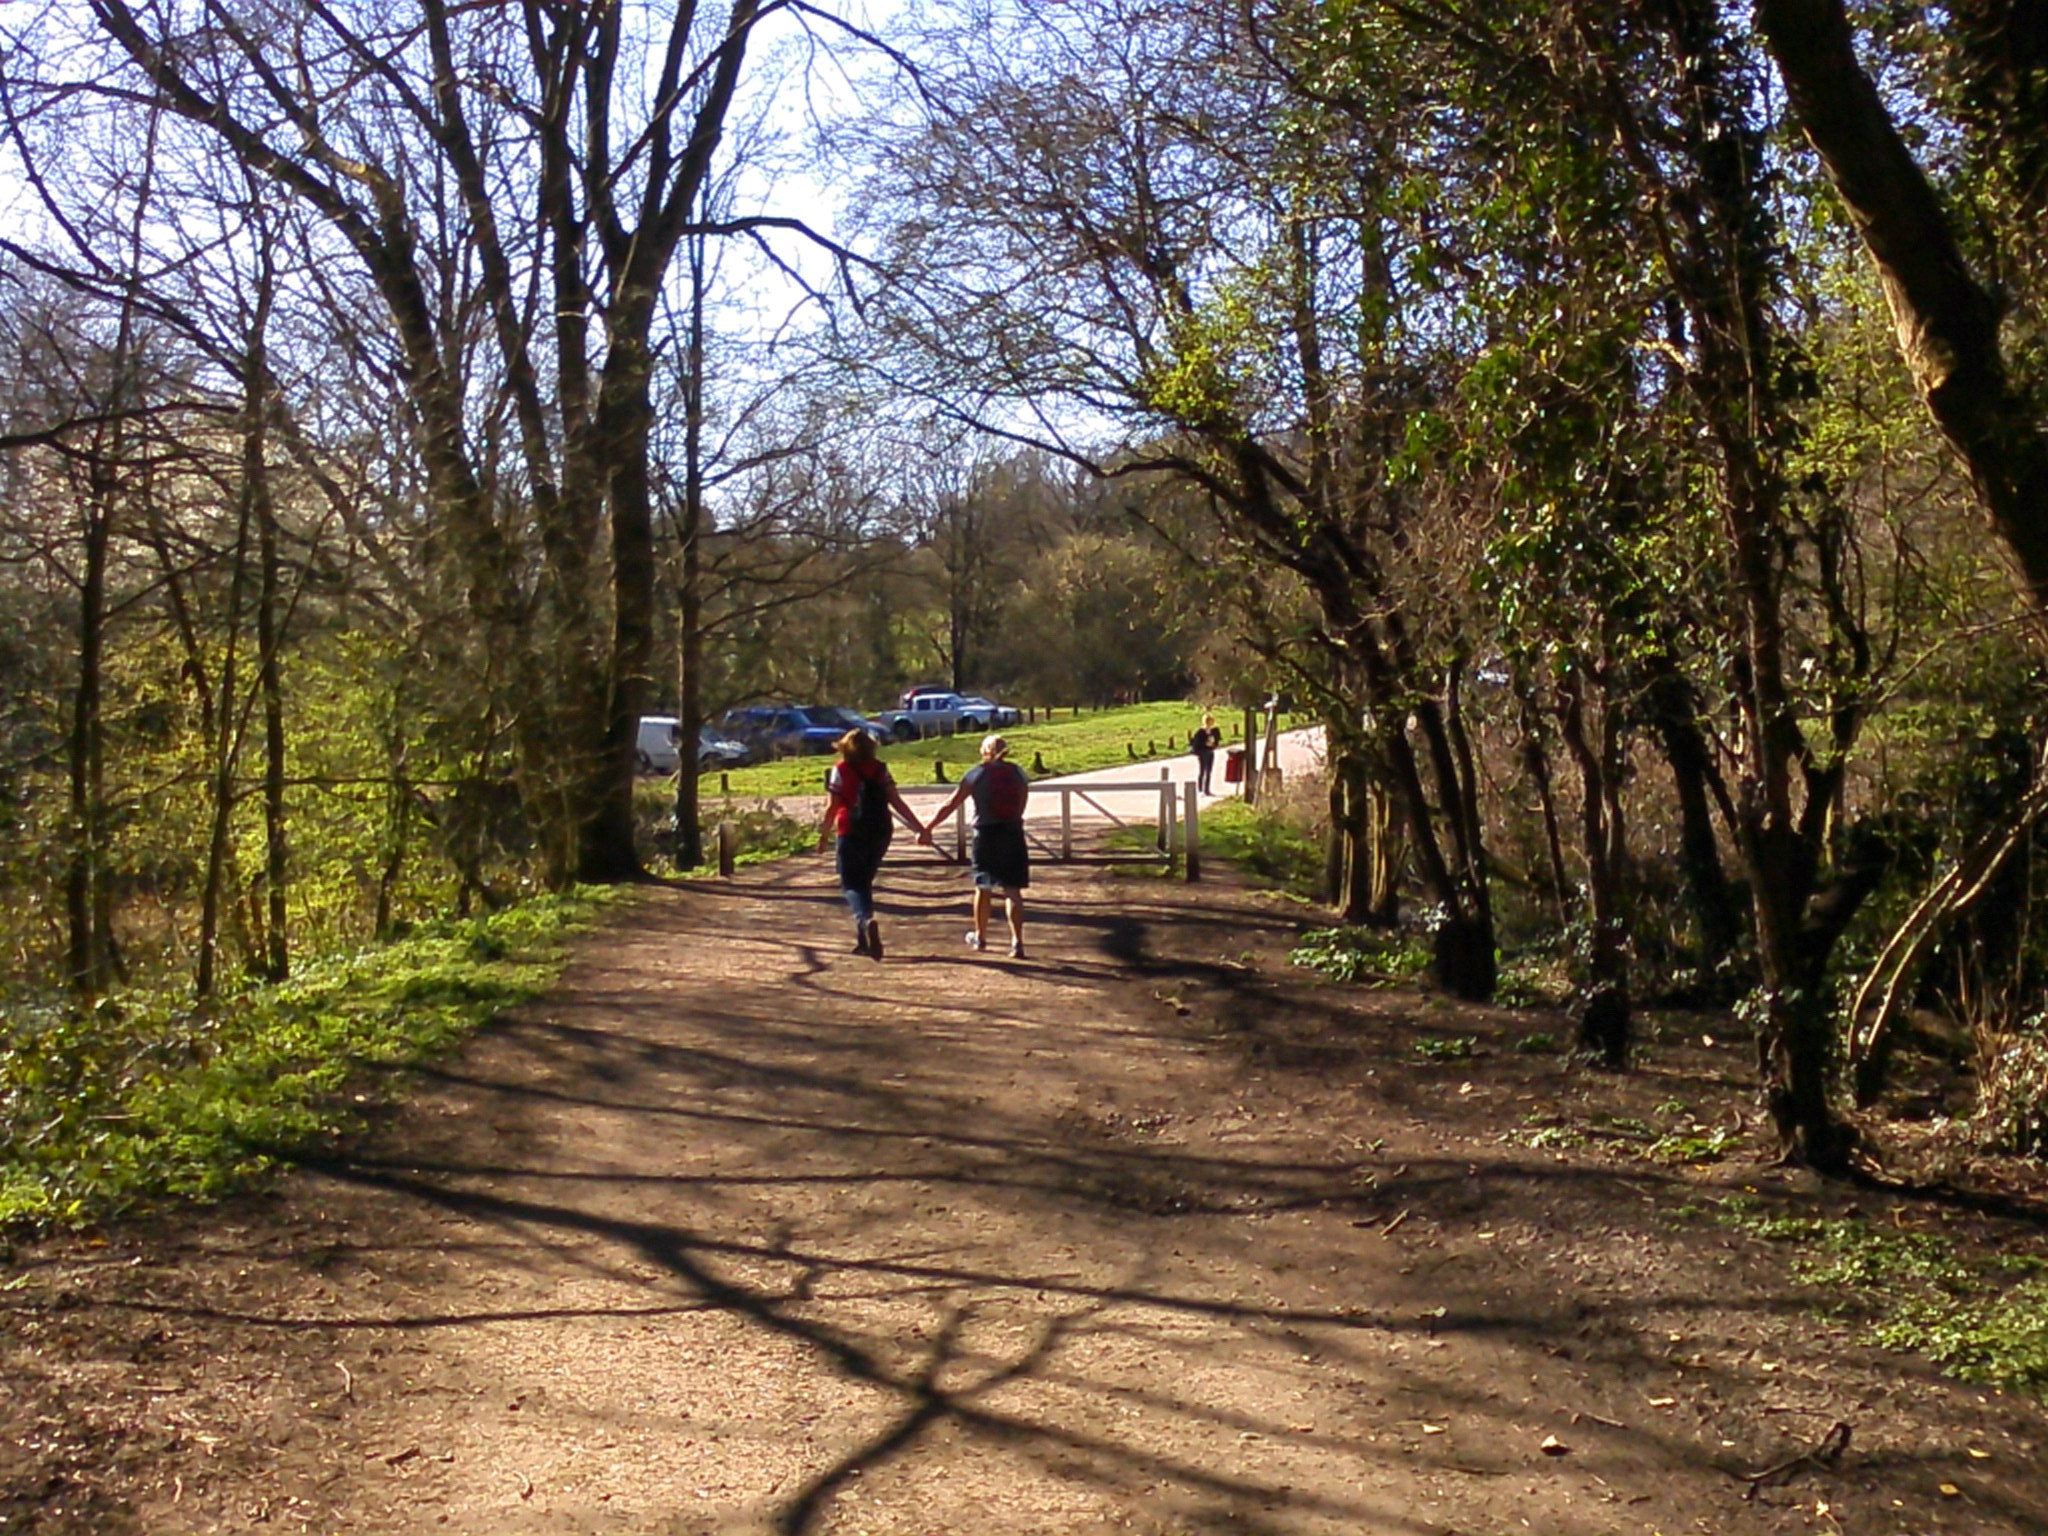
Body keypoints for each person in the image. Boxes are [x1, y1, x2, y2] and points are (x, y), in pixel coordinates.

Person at [818, 728, 925, 959]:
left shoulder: (841, 770)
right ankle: (863, 940)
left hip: (851, 829)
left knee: (851, 885)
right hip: (880, 831)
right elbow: (896, 801)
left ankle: (866, 921)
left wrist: (824, 835)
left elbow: (833, 806)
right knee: (864, 880)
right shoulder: (880, 769)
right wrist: (919, 827)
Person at [921, 733, 1031, 958]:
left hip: (985, 834)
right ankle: (1017, 942)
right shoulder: (1018, 773)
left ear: (984, 751)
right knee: (1012, 890)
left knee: (983, 886)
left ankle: (980, 937)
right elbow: (1022, 803)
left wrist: (929, 827)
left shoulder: (976, 774)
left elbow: (951, 803)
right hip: (1012, 832)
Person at [1190, 711, 1223, 795]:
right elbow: (1196, 743)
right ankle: (1200, 789)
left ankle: (1207, 789)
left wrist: (1214, 744)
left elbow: (1217, 740)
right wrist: (1204, 744)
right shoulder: (1200, 731)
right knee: (1202, 770)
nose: (1210, 722)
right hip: (1202, 752)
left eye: (1211, 720)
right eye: (1208, 720)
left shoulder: (1214, 731)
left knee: (1209, 771)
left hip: (1210, 751)